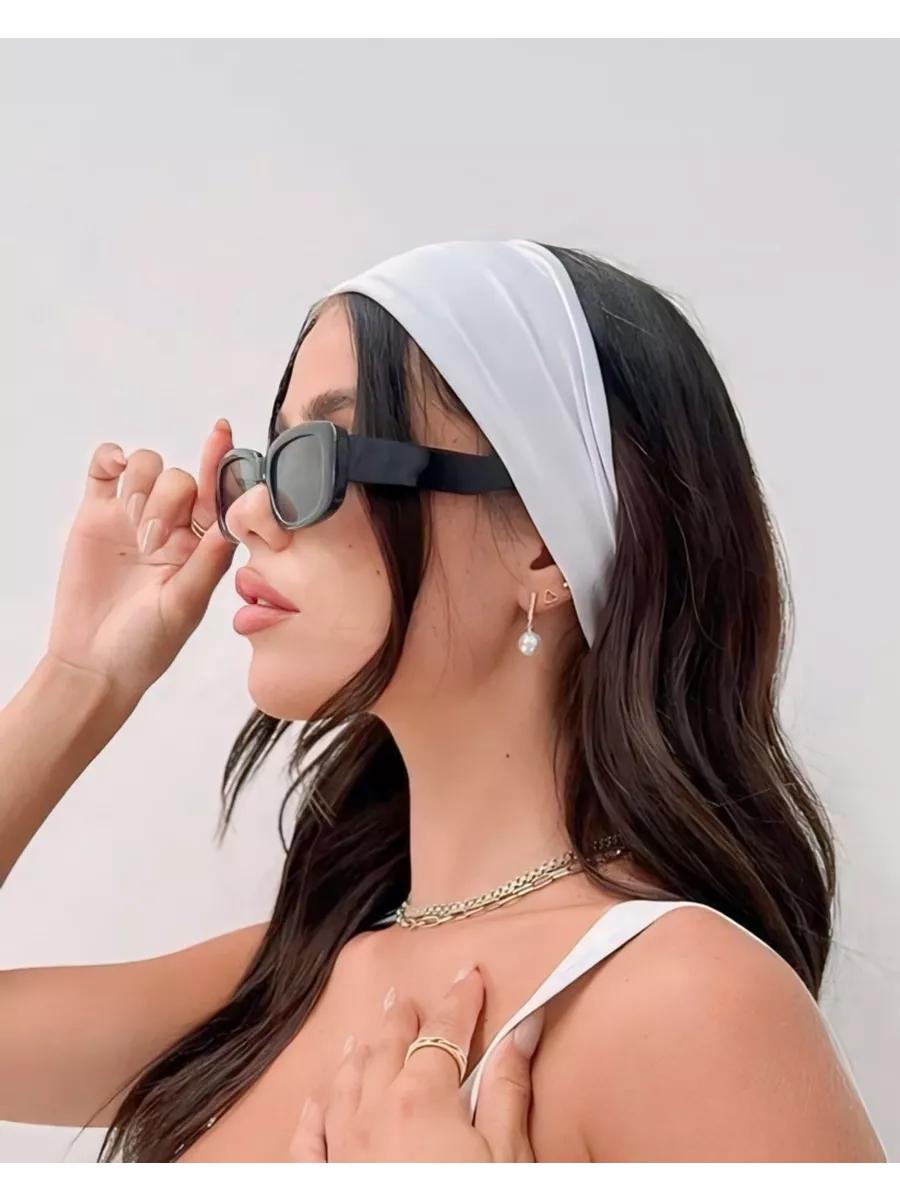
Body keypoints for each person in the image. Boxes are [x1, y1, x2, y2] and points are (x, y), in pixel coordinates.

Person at [0, 240, 887, 1163]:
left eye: (320, 457)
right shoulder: (284, 984)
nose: (249, 513)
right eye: (266, 463)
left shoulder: (685, 1001)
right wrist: (81, 676)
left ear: (542, 543)